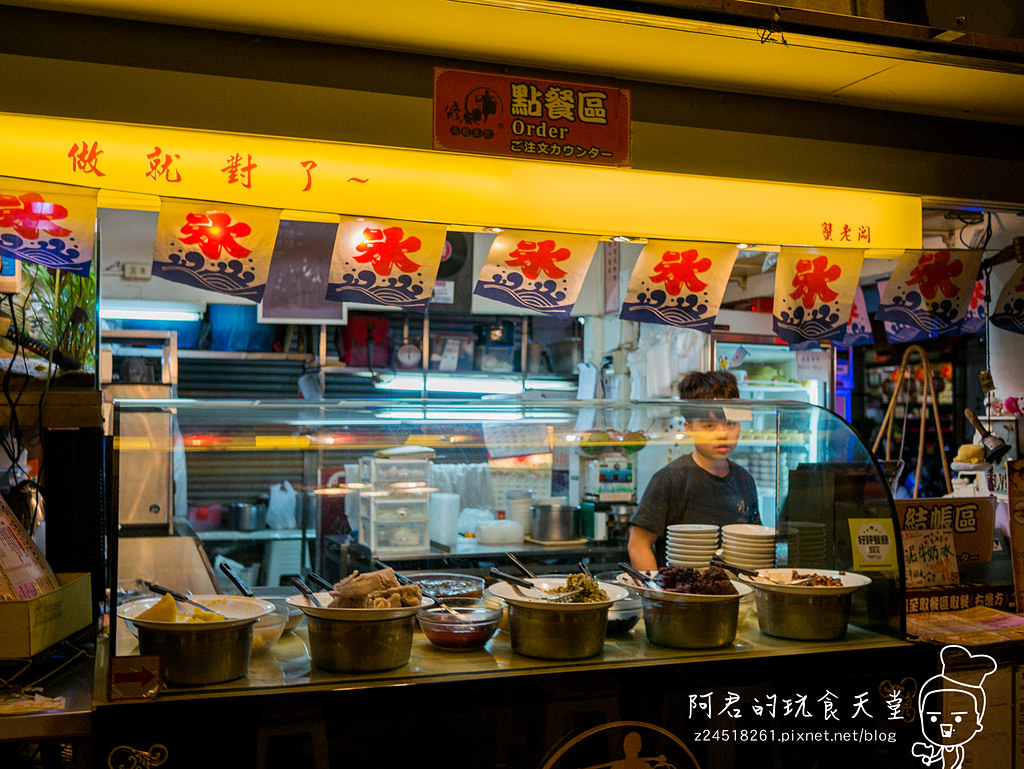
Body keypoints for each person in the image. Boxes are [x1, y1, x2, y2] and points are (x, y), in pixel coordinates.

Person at [628, 370, 759, 571]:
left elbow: (754, 541)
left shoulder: (744, 480)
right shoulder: (670, 480)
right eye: (709, 426)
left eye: (730, 424)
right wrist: (656, 591)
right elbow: (638, 545)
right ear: (689, 428)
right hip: (683, 595)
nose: (723, 434)